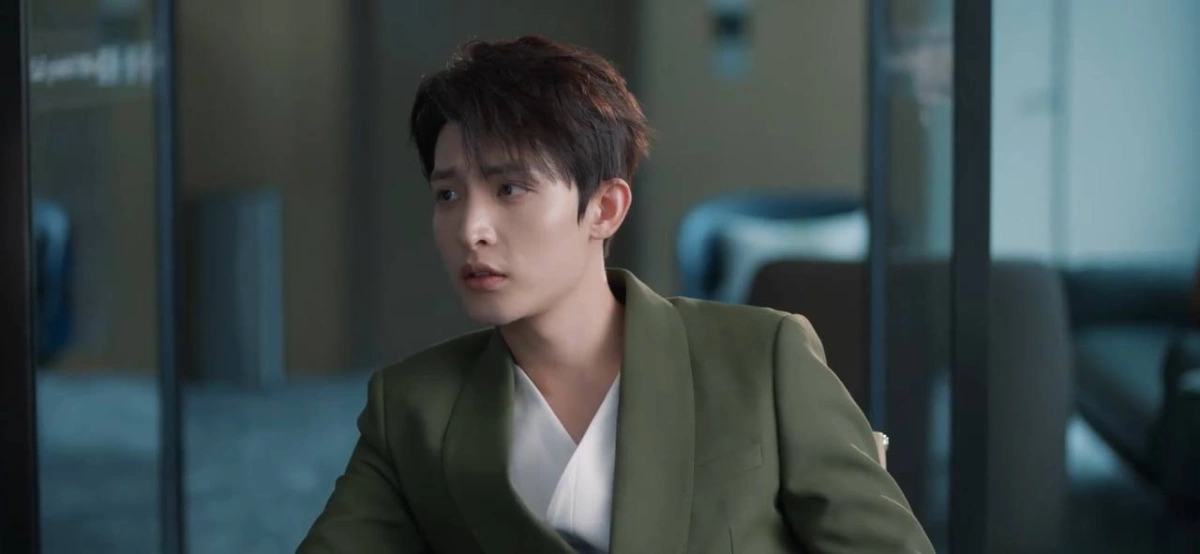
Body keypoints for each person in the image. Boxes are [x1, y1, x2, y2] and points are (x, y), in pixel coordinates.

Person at [298, 35, 933, 553]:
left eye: (510, 189)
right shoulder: (414, 406)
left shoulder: (761, 357)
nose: (471, 229)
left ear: (604, 208)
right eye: (448, 195)